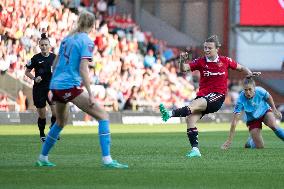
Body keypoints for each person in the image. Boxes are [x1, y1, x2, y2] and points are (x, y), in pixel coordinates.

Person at [35, 11, 128, 169]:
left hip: (56, 85)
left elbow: (54, 64)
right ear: (92, 25)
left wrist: (54, 86)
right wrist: (91, 94)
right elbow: (83, 69)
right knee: (103, 116)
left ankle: (42, 157)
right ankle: (107, 160)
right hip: (69, 85)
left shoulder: (67, 39)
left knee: (60, 122)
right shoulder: (86, 41)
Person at [159, 35, 261, 158]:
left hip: (217, 97)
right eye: (205, 47)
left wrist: (249, 73)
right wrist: (181, 60)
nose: (206, 50)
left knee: (194, 105)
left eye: (209, 48)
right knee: (190, 119)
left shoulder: (225, 60)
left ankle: (169, 114)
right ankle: (195, 150)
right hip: (203, 96)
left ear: (217, 49)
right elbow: (183, 69)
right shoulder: (200, 61)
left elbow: (240, 67)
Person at [221, 76, 284, 149]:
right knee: (260, 147)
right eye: (245, 90)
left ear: (254, 88)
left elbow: (268, 97)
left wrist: (274, 109)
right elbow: (234, 122)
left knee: (273, 125)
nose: (248, 92)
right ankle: (249, 142)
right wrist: (229, 140)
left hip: (265, 112)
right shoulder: (240, 100)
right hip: (253, 119)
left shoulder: (260, 90)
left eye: (250, 89)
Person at [25, 33, 57, 143]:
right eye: (42, 45)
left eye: (46, 44)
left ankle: (52, 130)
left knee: (55, 111)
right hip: (39, 89)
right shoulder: (35, 58)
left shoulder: (55, 58)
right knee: (42, 114)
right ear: (39, 46)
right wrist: (34, 78)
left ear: (49, 45)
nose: (44, 46)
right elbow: (27, 72)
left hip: (51, 89)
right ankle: (42, 133)